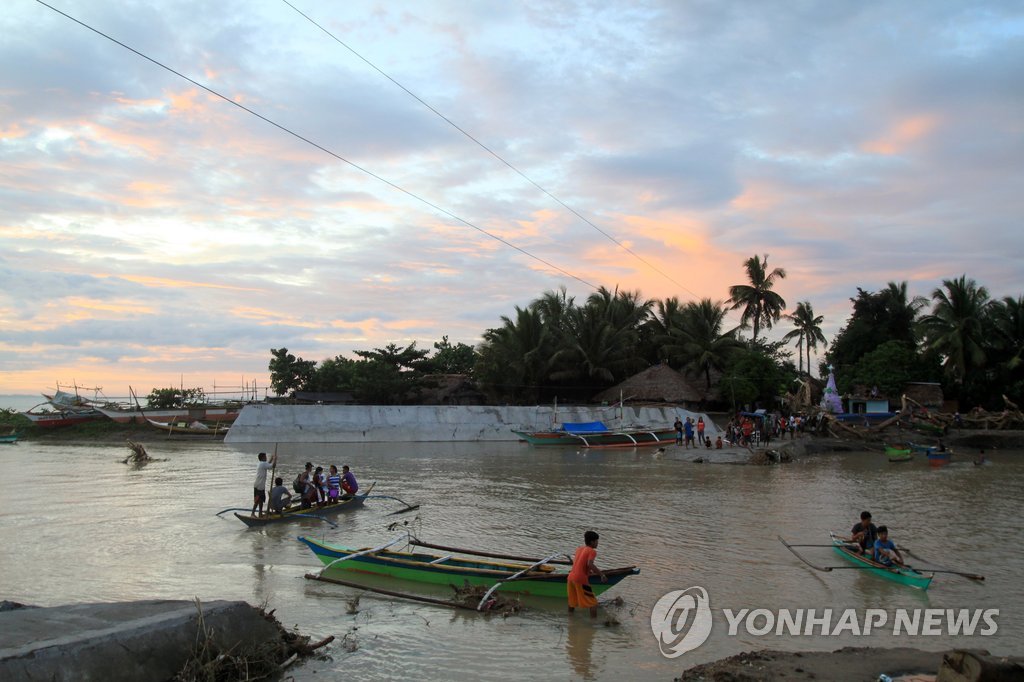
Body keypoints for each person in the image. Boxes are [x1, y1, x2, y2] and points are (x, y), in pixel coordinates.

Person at [567, 530, 607, 618]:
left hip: (570, 577)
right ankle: (593, 624)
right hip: (580, 579)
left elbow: (580, 564)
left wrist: (590, 571)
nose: (597, 543)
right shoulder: (592, 551)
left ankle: (570, 619)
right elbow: (589, 564)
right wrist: (601, 574)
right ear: (592, 542)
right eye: (596, 541)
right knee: (593, 603)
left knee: (572, 601)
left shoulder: (579, 549)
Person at [251, 451, 277, 517]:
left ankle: (259, 514)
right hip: (260, 485)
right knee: (258, 500)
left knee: (261, 500)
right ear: (262, 458)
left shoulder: (261, 463)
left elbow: (267, 464)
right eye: (265, 457)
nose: (266, 457)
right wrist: (275, 459)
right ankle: (253, 513)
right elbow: (273, 466)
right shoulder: (262, 464)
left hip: (258, 484)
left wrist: (271, 458)